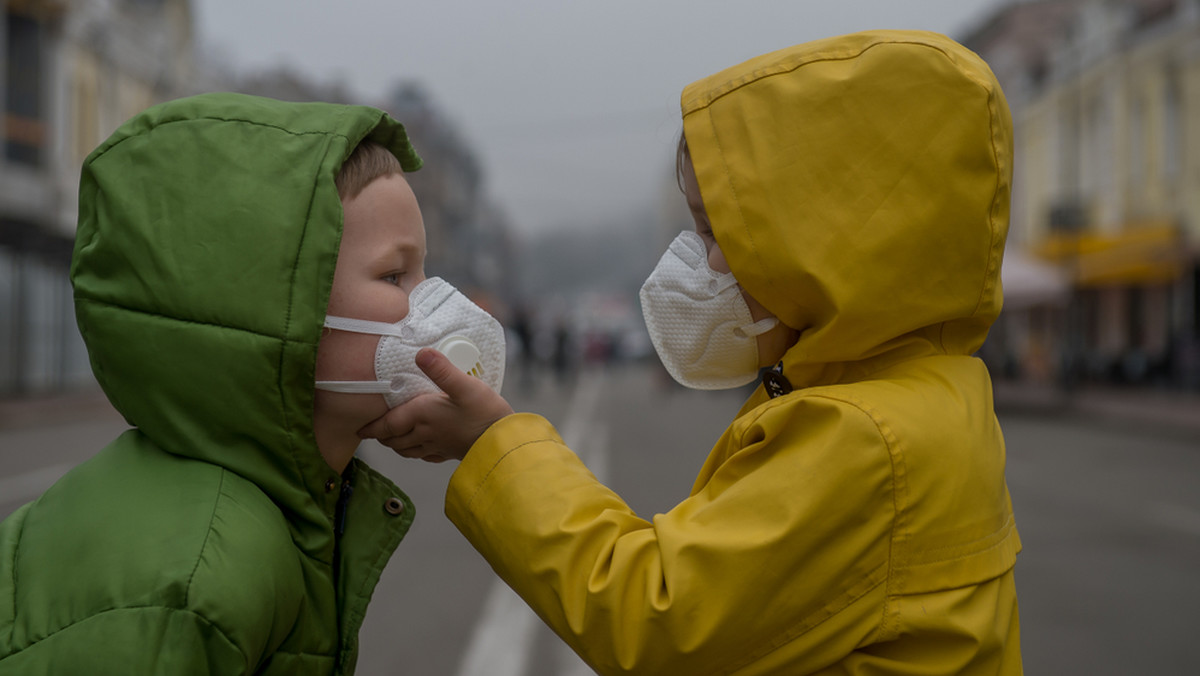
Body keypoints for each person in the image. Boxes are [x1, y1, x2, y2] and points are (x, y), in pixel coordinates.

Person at [364, 30, 1023, 675]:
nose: (703, 260)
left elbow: (655, 616)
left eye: (717, 230)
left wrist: (491, 443)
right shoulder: (938, 392)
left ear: (828, 245)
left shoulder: (868, 440)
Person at [0, 92, 503, 674]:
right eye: (395, 275)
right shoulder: (194, 580)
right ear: (274, 309)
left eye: (423, 271)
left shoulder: (280, 500)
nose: (433, 302)